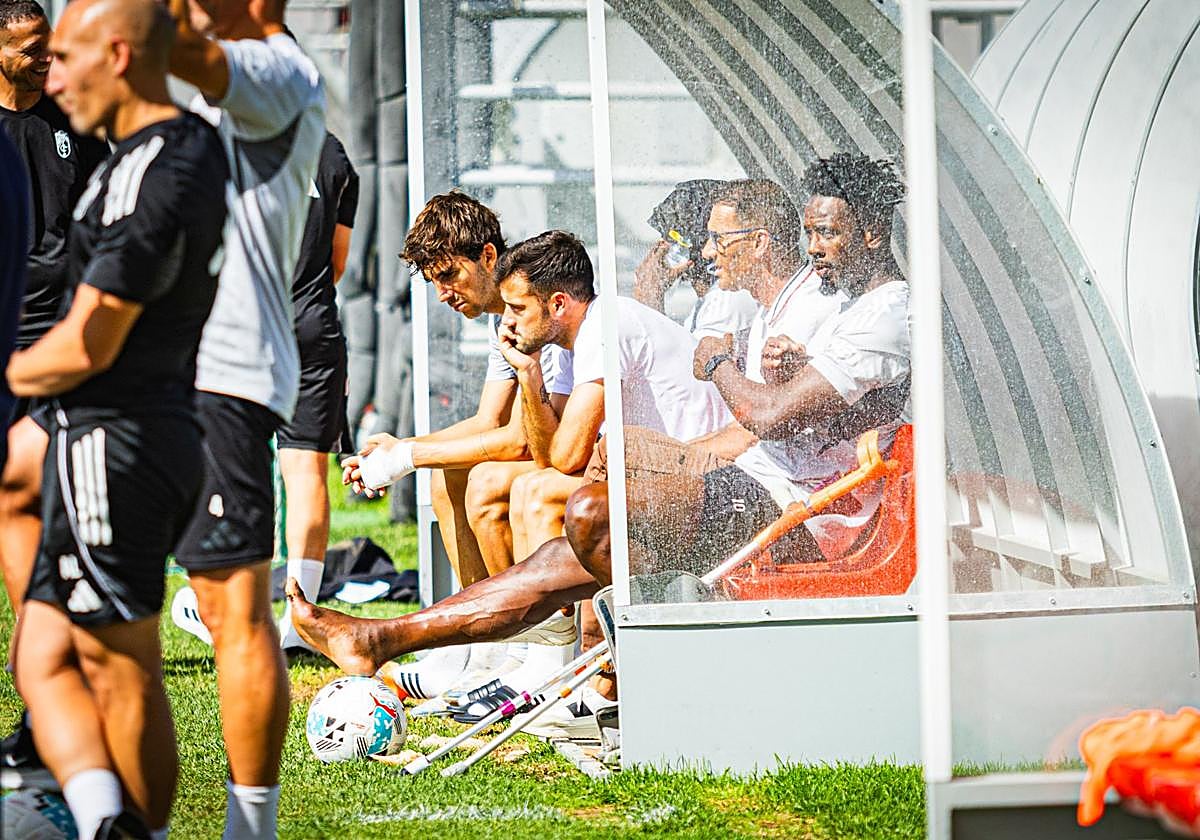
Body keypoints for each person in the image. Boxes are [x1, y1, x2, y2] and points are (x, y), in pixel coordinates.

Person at [284, 153, 911, 694]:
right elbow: (775, 420)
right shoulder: (836, 305)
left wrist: (718, 362)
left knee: (579, 512)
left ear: (873, 235)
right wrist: (693, 444)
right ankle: (433, 645)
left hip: (801, 514)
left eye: (826, 233)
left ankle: (559, 665)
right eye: (808, 232)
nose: (813, 249)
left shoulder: (886, 310)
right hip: (758, 483)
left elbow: (765, 413)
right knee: (571, 522)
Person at [302, 230, 735, 719]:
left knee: (534, 490)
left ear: (556, 304)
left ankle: (544, 661)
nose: (505, 322)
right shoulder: (575, 334)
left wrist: (409, 453)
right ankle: (495, 655)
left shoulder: (600, 327)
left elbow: (559, 456)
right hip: (648, 475)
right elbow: (553, 448)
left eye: (517, 309)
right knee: (482, 481)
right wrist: (525, 381)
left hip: (704, 483)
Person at [7, 1, 227, 836]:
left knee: (118, 666)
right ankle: (107, 820)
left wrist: (10, 376)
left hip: (118, 435)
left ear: (119, 54)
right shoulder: (130, 155)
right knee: (44, 655)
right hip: (91, 431)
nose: (53, 77)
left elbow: (89, 342)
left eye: (64, 58)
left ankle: (140, 829)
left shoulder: (162, 164)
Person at [165, 0, 324, 836]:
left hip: (223, 376)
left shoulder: (278, 67)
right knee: (112, 612)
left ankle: (249, 827)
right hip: (149, 374)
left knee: (234, 611)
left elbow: (169, 45)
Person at [337, 192, 576, 700]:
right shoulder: (502, 319)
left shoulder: (533, 311)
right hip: (558, 454)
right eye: (434, 281)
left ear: (488, 257)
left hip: (589, 462)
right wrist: (403, 446)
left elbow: (519, 444)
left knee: (485, 479)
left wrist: (406, 458)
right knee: (452, 477)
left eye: (450, 276)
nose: (443, 292)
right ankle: (479, 643)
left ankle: (518, 641)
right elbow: (489, 420)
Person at [0, 0, 108, 788]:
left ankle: (51, 692)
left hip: (63, 346)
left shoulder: (77, 122)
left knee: (51, 512)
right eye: (31, 49)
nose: (47, 61)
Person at [274, 129, 358, 653]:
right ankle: (297, 620)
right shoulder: (333, 152)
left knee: (221, 460)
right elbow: (338, 263)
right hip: (312, 322)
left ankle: (218, 598)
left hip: (242, 322)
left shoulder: (228, 133)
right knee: (306, 472)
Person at [632, 178, 757, 340]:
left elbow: (680, 363)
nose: (664, 248)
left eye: (674, 239)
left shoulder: (727, 300)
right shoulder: (710, 298)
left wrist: (650, 297)